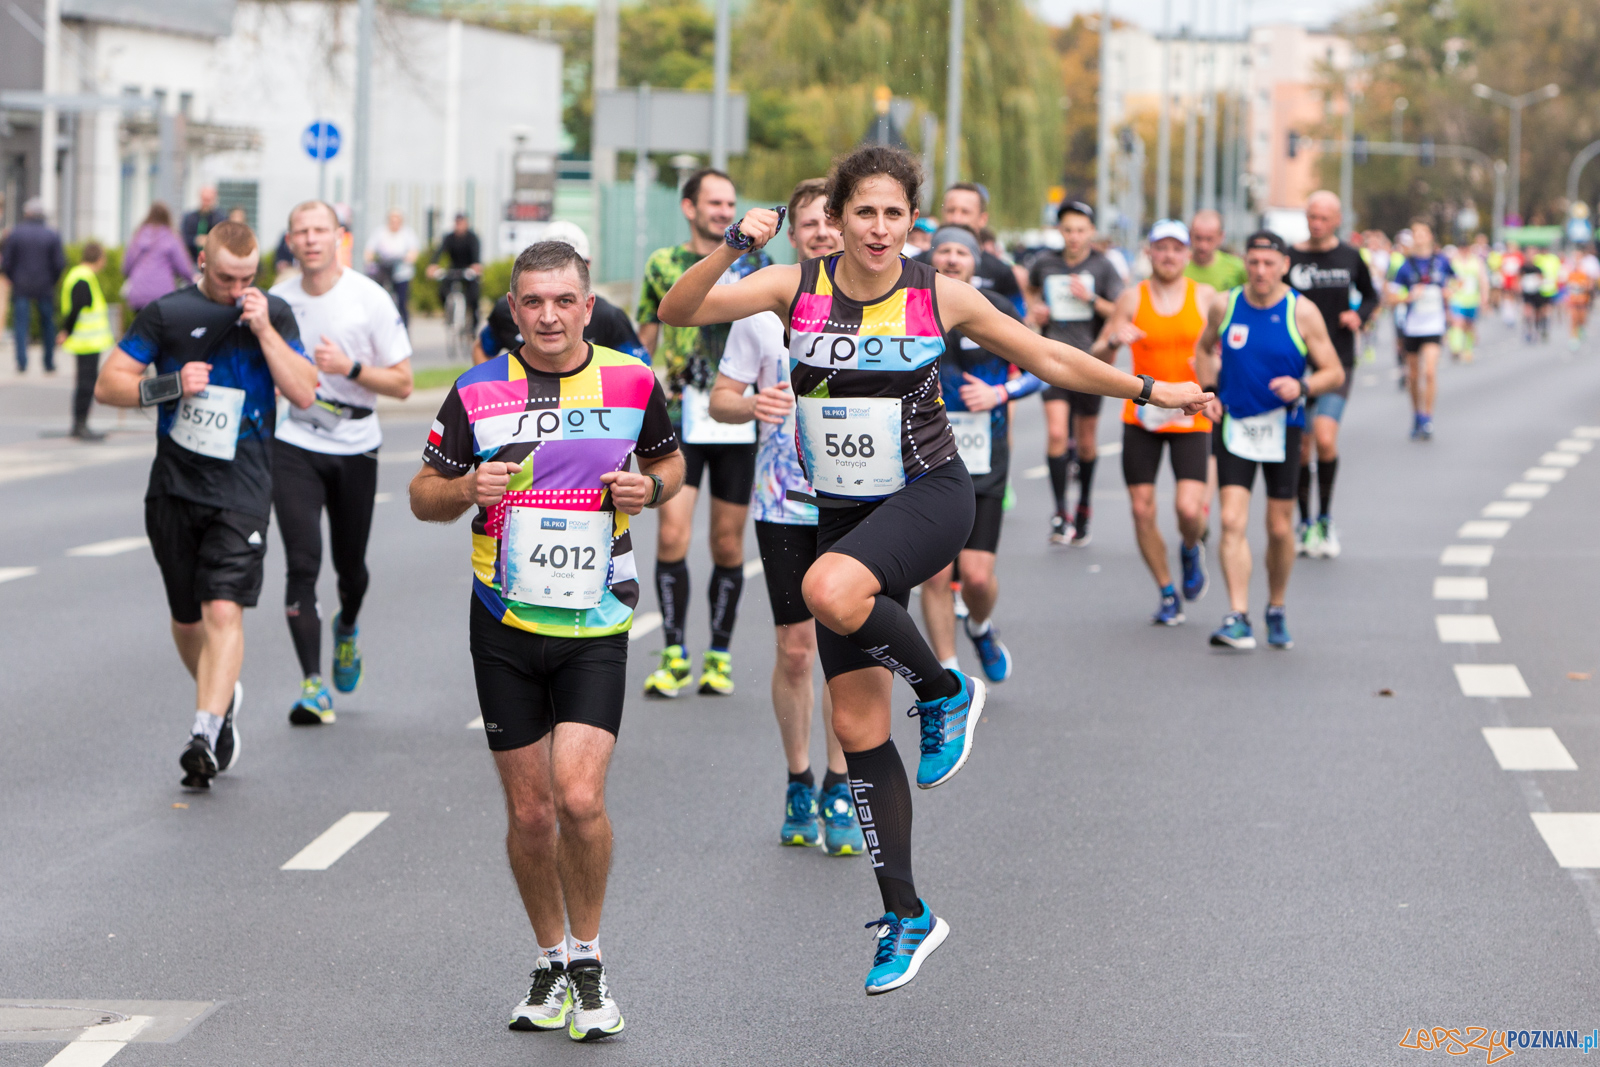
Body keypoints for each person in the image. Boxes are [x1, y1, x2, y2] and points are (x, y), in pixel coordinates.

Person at [656, 143, 1207, 995]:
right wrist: (735, 242)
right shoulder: (792, 286)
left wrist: (1148, 391)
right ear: (834, 219)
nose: (879, 229)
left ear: (912, 221)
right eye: (862, 212)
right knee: (858, 727)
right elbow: (679, 308)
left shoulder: (937, 293)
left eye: (893, 214)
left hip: (928, 491)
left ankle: (945, 689)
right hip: (840, 510)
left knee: (825, 590)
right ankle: (907, 912)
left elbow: (1047, 357)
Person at [409, 240, 683, 1041]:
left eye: (564, 300)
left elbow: (674, 466)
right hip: (502, 621)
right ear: (514, 308)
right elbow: (423, 494)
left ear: (587, 305)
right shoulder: (477, 388)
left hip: (597, 618)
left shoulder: (633, 382)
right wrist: (464, 487)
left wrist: (652, 487)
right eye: (533, 301)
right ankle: (549, 958)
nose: (549, 315)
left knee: (578, 796)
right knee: (531, 814)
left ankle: (590, 959)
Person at [93, 220, 317, 788]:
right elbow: (109, 383)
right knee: (187, 618)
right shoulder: (167, 313)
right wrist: (166, 386)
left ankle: (205, 730)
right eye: (225, 277)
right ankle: (222, 692)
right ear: (201, 263)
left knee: (224, 610)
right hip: (175, 486)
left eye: (248, 277)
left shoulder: (273, 312)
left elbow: (305, 391)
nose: (237, 287)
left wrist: (265, 329)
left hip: (243, 487)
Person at [709, 177, 866, 855]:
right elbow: (720, 399)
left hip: (860, 498)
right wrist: (753, 406)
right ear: (794, 236)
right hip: (783, 500)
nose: (824, 234)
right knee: (797, 649)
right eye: (811, 225)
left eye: (834, 223)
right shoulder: (762, 310)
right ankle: (799, 775)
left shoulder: (880, 305)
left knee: (845, 649)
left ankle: (840, 778)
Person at [270, 201, 415, 724]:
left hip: (356, 441)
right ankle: (313, 685)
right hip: (294, 441)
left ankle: (347, 626)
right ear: (289, 240)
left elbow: (402, 383)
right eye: (301, 231)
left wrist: (349, 367)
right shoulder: (277, 301)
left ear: (339, 237)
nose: (310, 240)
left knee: (350, 569)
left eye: (320, 231)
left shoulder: (368, 299)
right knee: (302, 564)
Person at [635, 168, 768, 698]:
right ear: (689, 207)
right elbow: (644, 335)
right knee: (672, 533)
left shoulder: (759, 263)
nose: (723, 211)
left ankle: (718, 653)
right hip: (678, 412)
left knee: (727, 541)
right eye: (714, 203)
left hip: (737, 411)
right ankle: (673, 652)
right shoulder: (664, 264)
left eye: (730, 202)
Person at [1195, 231, 1343, 650]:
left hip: (1283, 428)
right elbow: (1202, 350)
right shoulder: (1226, 305)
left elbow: (1334, 371)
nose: (1260, 271)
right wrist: (1209, 391)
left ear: (1283, 266)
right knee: (1230, 521)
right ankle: (1237, 614)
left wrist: (1303, 386)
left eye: (1268, 263)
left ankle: (1275, 606)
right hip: (1235, 424)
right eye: (1254, 262)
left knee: (1279, 527)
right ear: (1246, 263)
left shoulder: (1303, 312)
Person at [919, 224, 1040, 677]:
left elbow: (1037, 369)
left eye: (961, 253)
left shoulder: (998, 308)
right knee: (933, 574)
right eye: (944, 251)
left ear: (975, 260)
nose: (952, 259)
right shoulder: (912, 305)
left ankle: (981, 623)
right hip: (925, 455)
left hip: (984, 455)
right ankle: (949, 677)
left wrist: (999, 394)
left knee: (976, 577)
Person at [1092, 220, 1214, 624]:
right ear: (1150, 252)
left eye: (1176, 249)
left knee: (1187, 509)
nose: (1168, 256)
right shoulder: (1132, 297)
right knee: (1142, 510)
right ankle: (1166, 590)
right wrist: (1113, 340)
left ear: (1187, 254)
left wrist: (1214, 380)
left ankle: (1191, 548)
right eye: (1160, 248)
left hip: (1190, 414)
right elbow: (1097, 359)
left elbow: (1227, 350)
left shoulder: (1206, 297)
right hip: (1142, 415)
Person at [1286, 191, 1378, 559]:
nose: (1316, 223)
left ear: (1337, 220)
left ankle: (1325, 518)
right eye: (1311, 216)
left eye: (1323, 217)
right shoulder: (1290, 257)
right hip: (1296, 362)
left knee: (1324, 438)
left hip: (1336, 361)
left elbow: (1372, 296)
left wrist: (1360, 315)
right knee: (1301, 446)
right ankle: (1305, 522)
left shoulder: (1350, 256)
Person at [1026, 199, 1123, 545]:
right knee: (1055, 434)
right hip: (1052, 359)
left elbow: (1119, 310)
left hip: (1090, 363)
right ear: (1059, 230)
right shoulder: (1045, 263)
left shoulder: (1103, 266)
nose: (1074, 237)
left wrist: (1091, 298)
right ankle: (1059, 512)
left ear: (1091, 231)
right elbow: (1032, 295)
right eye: (1068, 230)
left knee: (1085, 443)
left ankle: (1083, 505)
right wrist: (1036, 314)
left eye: (1081, 230)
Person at [475, 222, 646, 365]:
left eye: (574, 262)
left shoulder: (609, 316)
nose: (548, 318)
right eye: (533, 302)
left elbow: (640, 368)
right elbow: (481, 350)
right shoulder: (505, 311)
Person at [919, 183, 1025, 312]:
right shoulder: (916, 266)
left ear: (982, 219)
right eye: (951, 210)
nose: (956, 219)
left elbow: (1018, 315)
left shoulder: (1000, 271)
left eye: (965, 212)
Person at [1392, 223, 1454, 440]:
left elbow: (1458, 281)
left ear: (1429, 236)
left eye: (1423, 233)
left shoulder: (1442, 261)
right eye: (1415, 234)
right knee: (1413, 375)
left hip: (1434, 325)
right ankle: (1416, 414)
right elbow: (1391, 296)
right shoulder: (1405, 265)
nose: (1419, 237)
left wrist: (1449, 292)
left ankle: (1427, 417)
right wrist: (1408, 296)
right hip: (1412, 326)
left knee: (1429, 371)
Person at [53, 242, 114, 441]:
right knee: (86, 384)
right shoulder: (83, 277)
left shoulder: (80, 275)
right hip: (87, 341)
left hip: (87, 341)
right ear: (99, 258)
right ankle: (80, 425)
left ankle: (80, 424)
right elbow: (77, 308)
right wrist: (66, 331)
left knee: (84, 383)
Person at [1, 197, 66, 373]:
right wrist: (52, 280)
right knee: (47, 324)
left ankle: (21, 362)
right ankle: (49, 362)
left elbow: (7, 262)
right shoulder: (51, 234)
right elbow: (59, 263)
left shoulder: (16, 233)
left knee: (21, 325)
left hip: (21, 285)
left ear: (27, 213)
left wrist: (13, 277)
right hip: (45, 285)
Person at [122, 202, 197, 314]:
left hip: (138, 294)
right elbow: (183, 267)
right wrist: (194, 282)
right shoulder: (171, 236)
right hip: (162, 294)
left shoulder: (139, 235)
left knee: (142, 326)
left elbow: (127, 265)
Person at [364, 209, 420, 328]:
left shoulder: (408, 234)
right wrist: (370, 260)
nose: (394, 223)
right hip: (384, 271)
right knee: (378, 299)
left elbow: (414, 252)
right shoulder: (380, 232)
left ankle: (404, 329)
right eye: (392, 220)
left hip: (401, 273)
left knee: (402, 302)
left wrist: (408, 257)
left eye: (397, 220)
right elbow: (369, 250)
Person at [428, 212, 484, 330]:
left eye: (461, 223)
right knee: (442, 290)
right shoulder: (449, 237)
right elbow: (439, 251)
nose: (459, 226)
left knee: (473, 296)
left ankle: (473, 326)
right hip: (453, 269)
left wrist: (476, 266)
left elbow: (476, 255)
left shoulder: (472, 237)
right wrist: (433, 265)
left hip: (468, 270)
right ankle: (448, 313)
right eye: (457, 223)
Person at [1446, 235, 1489, 361]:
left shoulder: (1476, 261)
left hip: (1472, 299)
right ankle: (1456, 348)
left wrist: (1484, 297)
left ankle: (1468, 349)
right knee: (1457, 323)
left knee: (1469, 325)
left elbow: (1483, 280)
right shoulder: (1453, 261)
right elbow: (1448, 279)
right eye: (1461, 248)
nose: (1463, 250)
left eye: (1466, 248)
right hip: (1457, 298)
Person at [1184, 209, 1247, 291]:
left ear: (1221, 237)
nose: (1203, 245)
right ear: (1190, 234)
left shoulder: (1237, 268)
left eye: (1209, 239)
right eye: (1198, 238)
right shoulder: (1178, 266)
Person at [181, 186, 227, 264]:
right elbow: (183, 238)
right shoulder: (190, 218)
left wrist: (209, 240)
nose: (206, 203)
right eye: (204, 199)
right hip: (192, 260)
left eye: (209, 200)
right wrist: (195, 240)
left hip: (213, 261)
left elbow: (224, 239)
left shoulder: (220, 218)